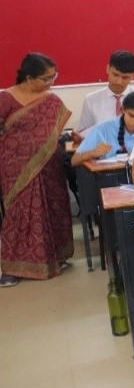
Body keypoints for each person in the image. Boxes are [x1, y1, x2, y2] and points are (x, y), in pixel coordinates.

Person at [0, 53, 73, 286]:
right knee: (20, 213)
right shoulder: (6, 98)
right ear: (29, 78)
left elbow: (52, 133)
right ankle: (13, 267)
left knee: (53, 207)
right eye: (46, 78)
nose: (51, 82)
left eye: (53, 77)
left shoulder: (51, 101)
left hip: (49, 165)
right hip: (16, 167)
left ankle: (56, 256)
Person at [74, 50, 134, 139]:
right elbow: (84, 132)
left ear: (133, 76)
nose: (119, 82)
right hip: (104, 147)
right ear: (107, 69)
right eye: (115, 75)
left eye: (125, 78)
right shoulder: (91, 100)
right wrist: (79, 137)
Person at [70, 91, 134, 166]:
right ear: (123, 109)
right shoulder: (102, 130)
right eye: (131, 116)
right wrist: (93, 153)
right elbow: (74, 161)